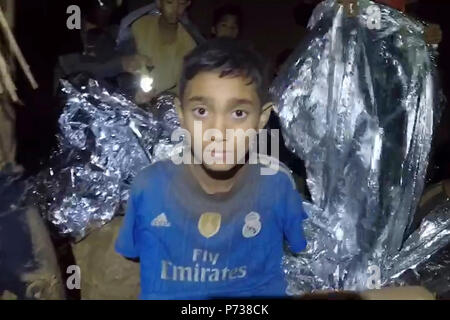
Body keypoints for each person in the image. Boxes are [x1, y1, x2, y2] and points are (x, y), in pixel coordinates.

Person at [115, 39, 308, 299]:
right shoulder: (149, 187)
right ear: (181, 115)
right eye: (202, 111)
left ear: (262, 119)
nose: (219, 132)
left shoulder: (278, 185)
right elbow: (131, 253)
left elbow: (302, 247)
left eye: (238, 113)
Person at [128, 0, 198, 102]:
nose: (175, 9)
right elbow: (122, 66)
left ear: (188, 4)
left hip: (167, 108)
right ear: (159, 2)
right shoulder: (139, 27)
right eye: (169, 2)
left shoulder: (190, 44)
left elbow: (186, 88)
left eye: (181, 3)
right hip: (129, 101)